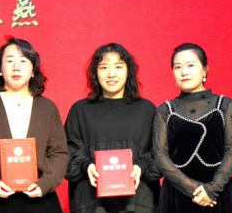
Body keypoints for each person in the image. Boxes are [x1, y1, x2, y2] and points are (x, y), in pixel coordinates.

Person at [0, 37, 68, 212]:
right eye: (10, 61)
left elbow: (59, 153)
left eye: (23, 61)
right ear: (0, 69)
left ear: (33, 70)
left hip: (41, 199)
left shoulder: (47, 107)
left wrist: (46, 183)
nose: (16, 67)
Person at [64, 43, 160, 213]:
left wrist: (141, 166)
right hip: (92, 202)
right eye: (104, 67)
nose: (111, 74)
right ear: (95, 72)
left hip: (139, 201)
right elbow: (67, 153)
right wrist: (86, 165)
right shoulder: (80, 110)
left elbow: (159, 152)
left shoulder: (146, 109)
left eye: (118, 67)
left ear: (128, 71)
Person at [154, 44, 232, 212]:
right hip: (177, 194)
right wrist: (193, 188)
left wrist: (212, 189)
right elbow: (159, 154)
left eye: (190, 65)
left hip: (217, 193)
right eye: (177, 67)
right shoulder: (165, 110)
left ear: (205, 70)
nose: (184, 72)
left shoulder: (224, 105)